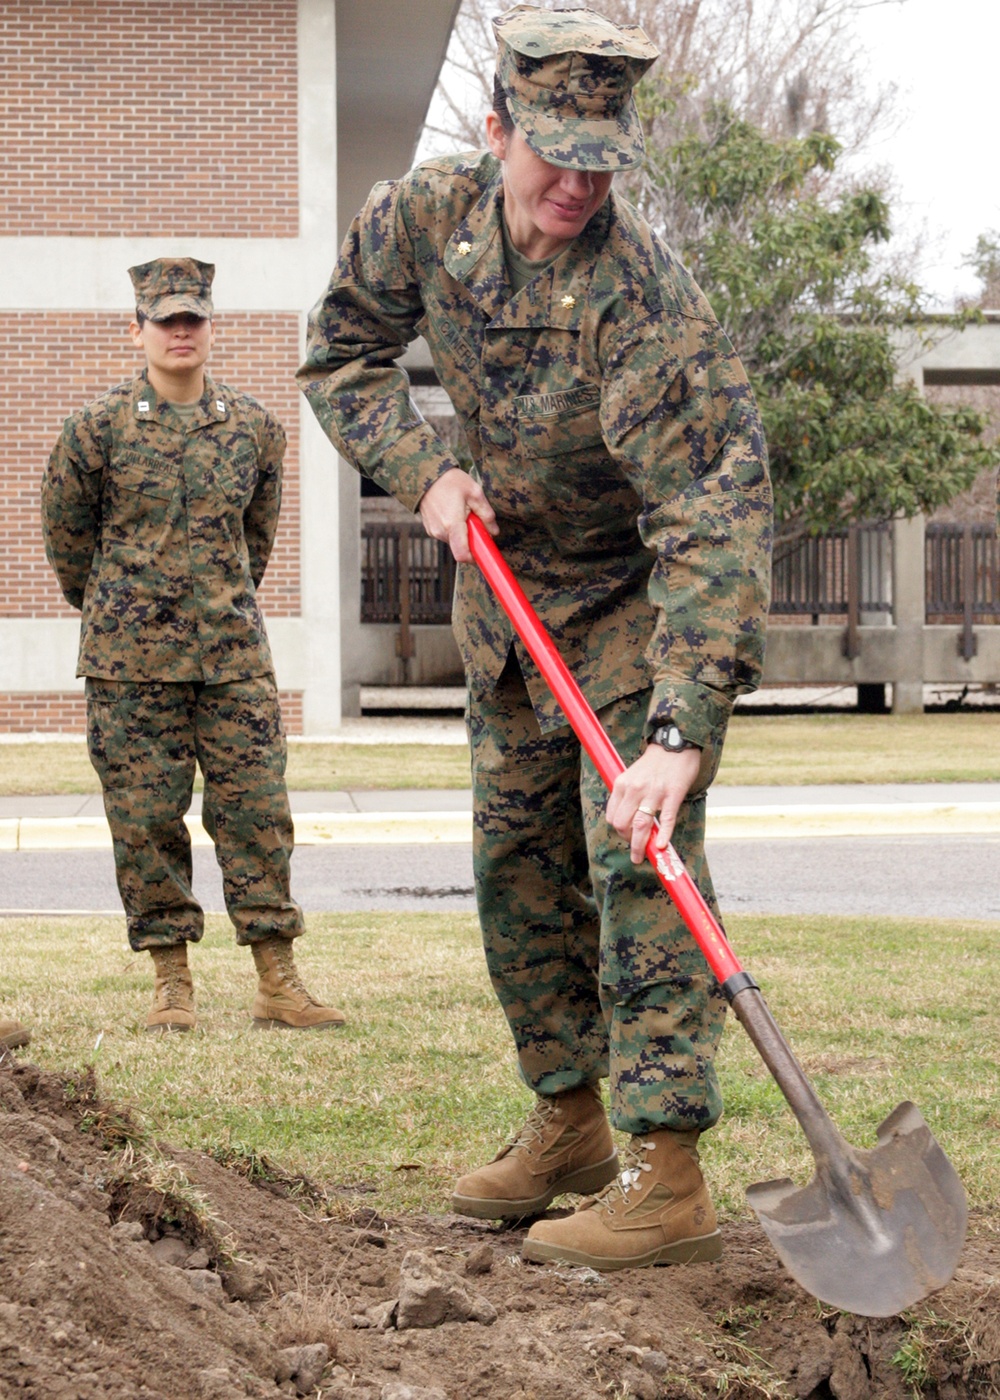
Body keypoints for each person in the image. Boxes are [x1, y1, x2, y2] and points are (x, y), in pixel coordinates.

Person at [297, 3, 771, 1271]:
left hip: (627, 603)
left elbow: (712, 520)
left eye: (601, 156)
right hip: (504, 603)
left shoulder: (648, 304)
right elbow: (340, 356)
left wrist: (677, 732)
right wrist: (423, 468)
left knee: (639, 858)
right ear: (497, 128)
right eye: (552, 150)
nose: (574, 182)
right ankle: (566, 1119)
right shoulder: (422, 218)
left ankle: (665, 1168)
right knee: (516, 868)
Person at [42, 258, 345, 1036]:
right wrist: (117, 610)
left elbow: (258, 538)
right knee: (144, 821)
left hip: (233, 658)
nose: (181, 331)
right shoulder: (96, 430)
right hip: (130, 664)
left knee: (257, 814)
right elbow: (69, 544)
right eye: (165, 319)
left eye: (193, 318)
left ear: (212, 325)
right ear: (136, 328)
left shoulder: (253, 428)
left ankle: (277, 980)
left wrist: (215, 602)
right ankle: (171, 983)